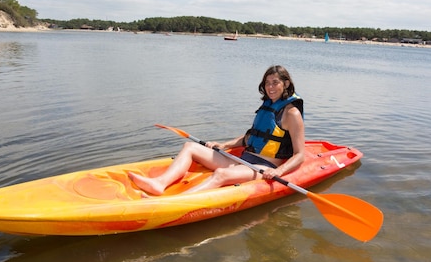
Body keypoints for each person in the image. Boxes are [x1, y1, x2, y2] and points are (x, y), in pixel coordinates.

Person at [128, 65, 306, 196]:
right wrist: (224, 144)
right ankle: (160, 183)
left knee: (221, 174)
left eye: (275, 83)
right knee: (190, 147)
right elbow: (250, 137)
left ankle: (176, 201)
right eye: (267, 83)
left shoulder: (292, 113)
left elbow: (300, 155)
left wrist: (278, 172)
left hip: (263, 167)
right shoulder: (268, 105)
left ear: (286, 83)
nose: (270, 87)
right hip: (244, 159)